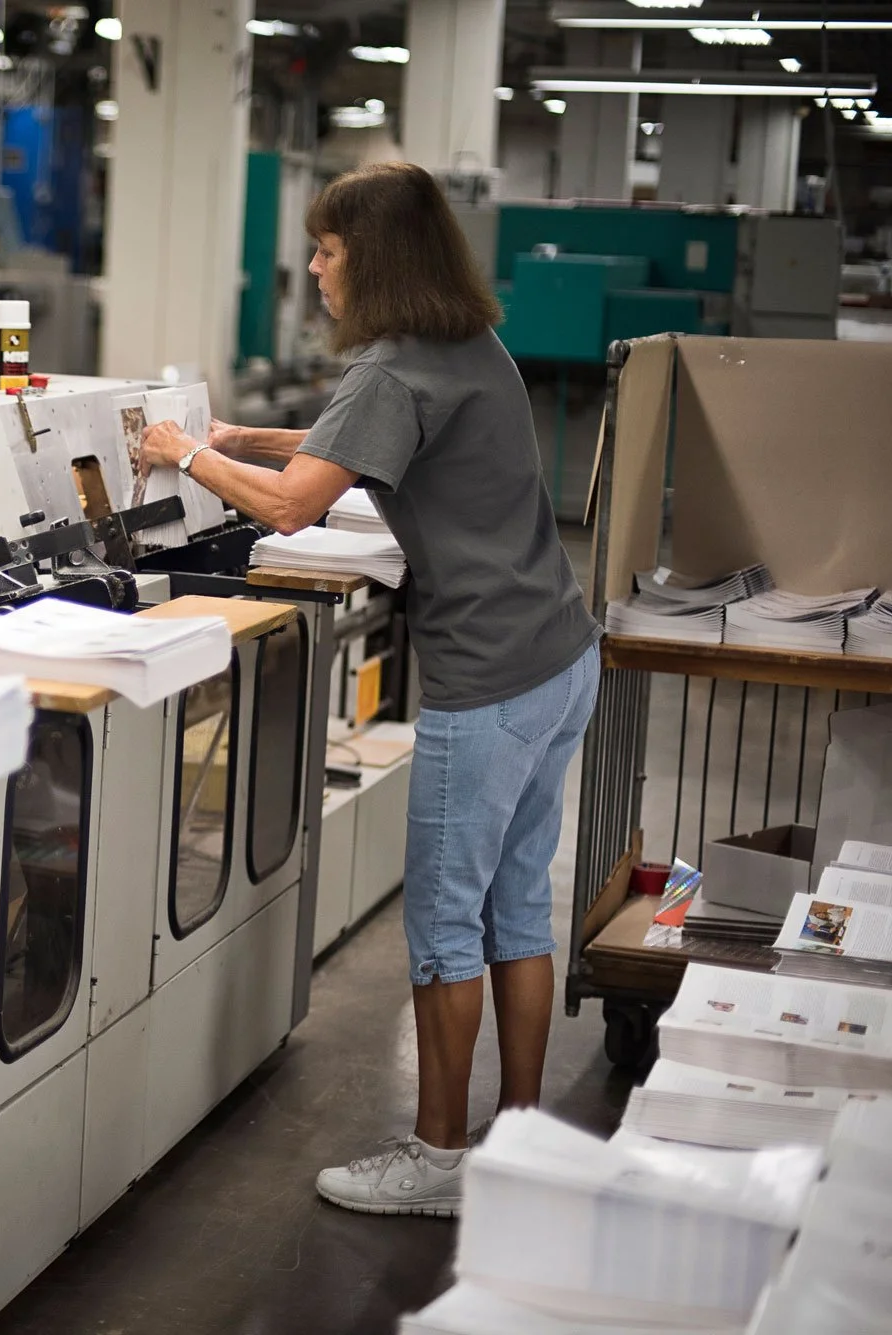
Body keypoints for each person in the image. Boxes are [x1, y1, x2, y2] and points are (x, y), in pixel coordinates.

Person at [139, 161, 600, 1218]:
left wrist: (180, 454)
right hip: (558, 655)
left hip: (485, 679)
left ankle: (438, 1162)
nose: (312, 268)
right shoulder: (463, 342)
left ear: (374, 260)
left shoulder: (389, 369)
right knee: (515, 909)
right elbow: (353, 447)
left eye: (328, 250)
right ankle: (516, 1138)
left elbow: (295, 512)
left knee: (444, 924)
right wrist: (238, 440)